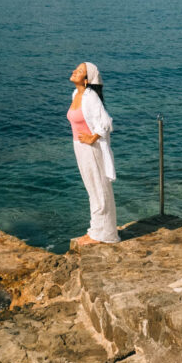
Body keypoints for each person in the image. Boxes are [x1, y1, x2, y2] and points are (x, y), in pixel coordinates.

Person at [67, 62, 119, 245]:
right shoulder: (76, 94)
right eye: (76, 69)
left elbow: (106, 122)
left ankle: (104, 234)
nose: (74, 71)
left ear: (87, 80)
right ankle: (96, 230)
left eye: (79, 71)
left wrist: (93, 137)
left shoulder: (90, 97)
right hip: (80, 147)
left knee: (99, 189)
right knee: (92, 189)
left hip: (91, 149)